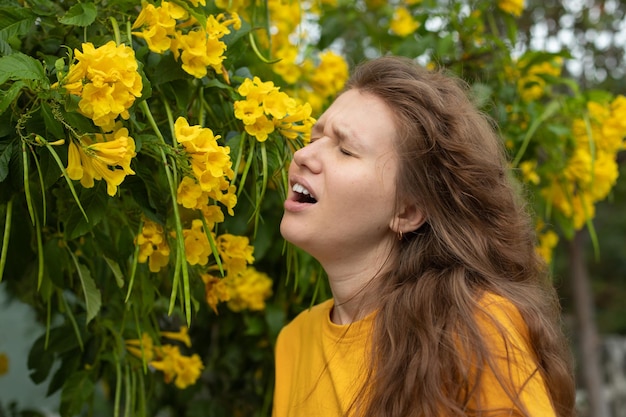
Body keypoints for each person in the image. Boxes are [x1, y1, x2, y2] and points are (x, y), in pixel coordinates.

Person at [273, 56, 576, 417]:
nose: (303, 154)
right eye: (314, 137)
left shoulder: (475, 326)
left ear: (407, 212)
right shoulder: (293, 341)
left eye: (344, 149)